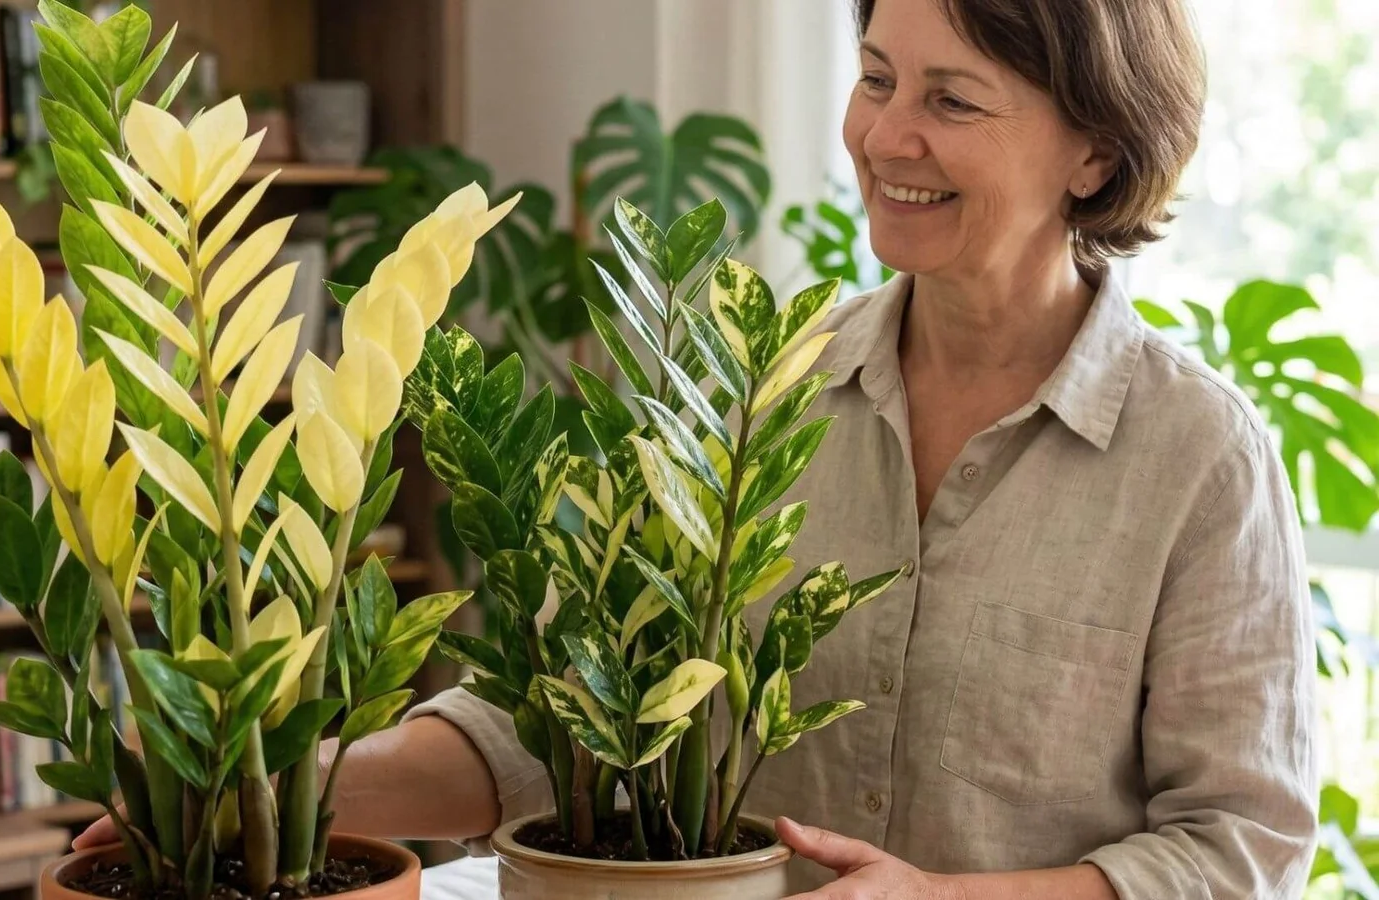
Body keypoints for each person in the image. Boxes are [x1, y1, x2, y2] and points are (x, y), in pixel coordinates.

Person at [79, 0, 1320, 895]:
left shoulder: (1196, 457)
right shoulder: (751, 389)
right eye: (877, 76)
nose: (888, 138)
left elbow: (1238, 846)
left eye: (952, 100)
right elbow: (540, 729)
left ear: (1095, 150)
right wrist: (222, 789)